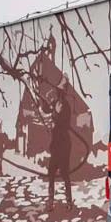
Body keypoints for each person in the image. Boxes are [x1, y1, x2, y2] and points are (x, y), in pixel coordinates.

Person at [43, 77, 74, 211]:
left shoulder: (65, 106)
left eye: (60, 91)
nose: (58, 92)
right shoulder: (56, 103)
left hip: (63, 145)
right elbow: (46, 110)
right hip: (56, 145)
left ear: (64, 92)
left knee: (65, 174)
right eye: (58, 90)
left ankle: (69, 202)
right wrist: (43, 100)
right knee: (51, 174)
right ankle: (50, 202)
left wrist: (55, 112)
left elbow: (62, 123)